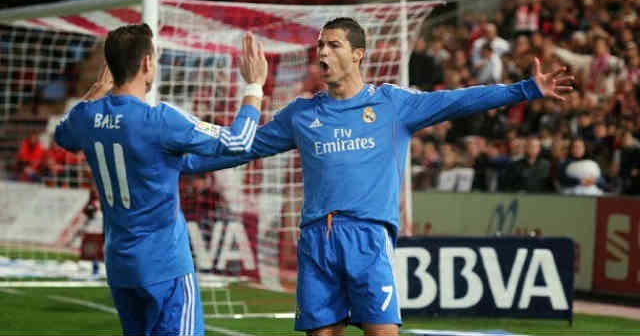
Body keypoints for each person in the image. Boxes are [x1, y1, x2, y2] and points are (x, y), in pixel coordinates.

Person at [182, 17, 573, 336]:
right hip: (318, 237)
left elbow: (458, 99)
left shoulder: (392, 105)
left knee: (383, 333)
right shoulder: (300, 115)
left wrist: (525, 89)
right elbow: (242, 147)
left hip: (369, 235)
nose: (322, 52)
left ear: (357, 54)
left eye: (333, 45)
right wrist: (179, 165)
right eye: (320, 45)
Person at [53, 23, 268, 336]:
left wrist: (97, 91)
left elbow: (63, 136)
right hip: (165, 267)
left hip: (121, 268)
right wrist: (254, 86)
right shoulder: (160, 120)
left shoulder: (85, 117)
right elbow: (238, 141)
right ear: (147, 63)